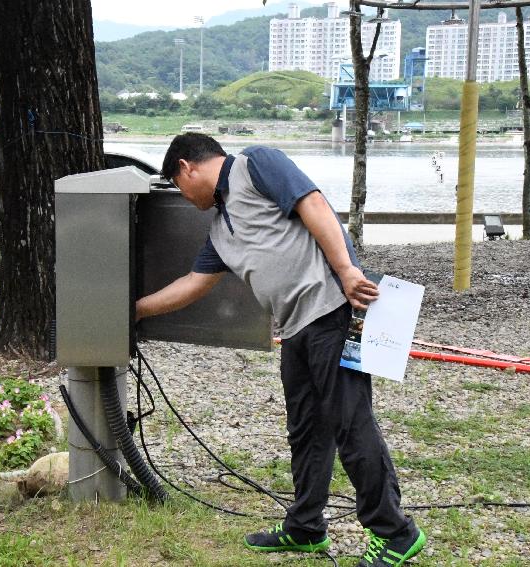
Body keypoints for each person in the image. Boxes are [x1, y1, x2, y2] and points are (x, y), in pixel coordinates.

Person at [135, 133, 425, 566]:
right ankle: (306, 527)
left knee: (351, 424)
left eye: (177, 185)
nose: (183, 194)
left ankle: (396, 533)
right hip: (294, 330)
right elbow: (194, 284)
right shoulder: (219, 228)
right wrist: (131, 311)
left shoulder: (256, 164)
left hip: (331, 309)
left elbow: (313, 205)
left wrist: (346, 271)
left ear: (185, 167)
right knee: (306, 431)